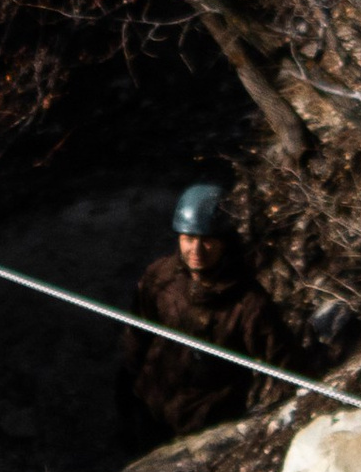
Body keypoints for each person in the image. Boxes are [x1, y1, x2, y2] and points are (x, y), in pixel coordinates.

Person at [121, 181, 287, 443]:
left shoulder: (248, 303)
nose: (196, 251)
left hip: (208, 427)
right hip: (150, 409)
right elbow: (135, 339)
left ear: (225, 242)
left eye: (207, 241)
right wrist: (128, 394)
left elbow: (284, 364)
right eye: (188, 239)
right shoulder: (160, 278)